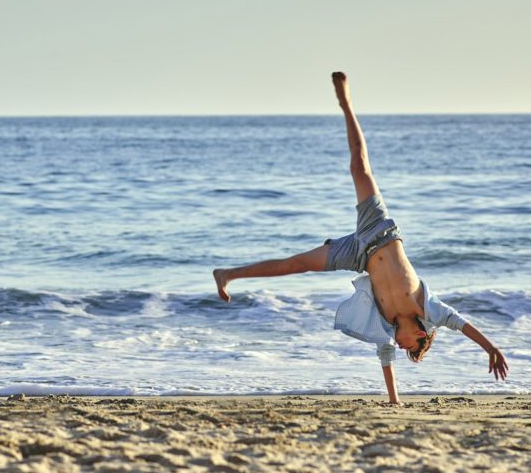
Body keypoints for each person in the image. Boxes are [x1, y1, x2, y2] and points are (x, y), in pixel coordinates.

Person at [212, 72, 509, 403]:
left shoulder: (385, 325)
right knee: (361, 169)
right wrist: (491, 348)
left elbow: (385, 358)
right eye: (408, 345)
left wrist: (394, 400)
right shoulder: (430, 310)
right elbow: (462, 324)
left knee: (297, 264)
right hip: (379, 230)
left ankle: (228, 274)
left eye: (402, 348)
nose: (400, 345)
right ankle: (346, 105)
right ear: (421, 334)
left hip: (357, 253)